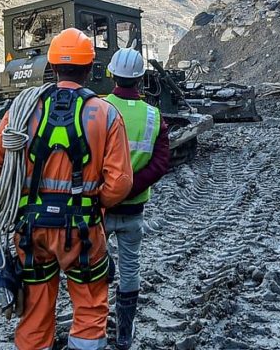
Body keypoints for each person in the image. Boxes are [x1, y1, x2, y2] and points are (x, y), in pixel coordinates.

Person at [0, 28, 133, 350]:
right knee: (90, 307)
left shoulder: (22, 110)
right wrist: (93, 204)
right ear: (90, 69)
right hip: (83, 231)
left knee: (34, 310)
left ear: (51, 67)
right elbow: (120, 183)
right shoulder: (105, 113)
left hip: (30, 229)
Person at [102, 48, 170, 349]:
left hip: (99, 208)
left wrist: (111, 189)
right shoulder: (154, 116)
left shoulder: (98, 109)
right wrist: (129, 187)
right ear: (141, 79)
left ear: (112, 74)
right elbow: (160, 162)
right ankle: (125, 334)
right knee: (131, 268)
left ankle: (94, 322)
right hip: (134, 209)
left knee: (94, 266)